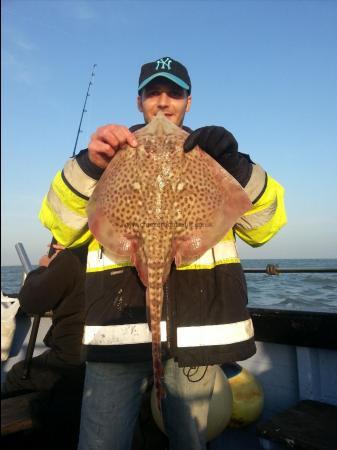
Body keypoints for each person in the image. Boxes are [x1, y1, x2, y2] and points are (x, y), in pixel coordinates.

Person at [38, 56, 287, 450]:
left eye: (174, 93)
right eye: (153, 93)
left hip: (197, 335)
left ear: (189, 101)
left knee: (188, 441)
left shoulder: (213, 155)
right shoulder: (110, 152)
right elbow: (62, 227)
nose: (163, 102)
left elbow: (263, 226)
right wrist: (90, 165)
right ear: (139, 102)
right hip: (115, 335)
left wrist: (236, 166)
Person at [2, 240, 87, 449]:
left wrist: (44, 268)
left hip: (72, 361)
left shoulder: (71, 257)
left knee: (15, 376)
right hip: (109, 358)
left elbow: (31, 300)